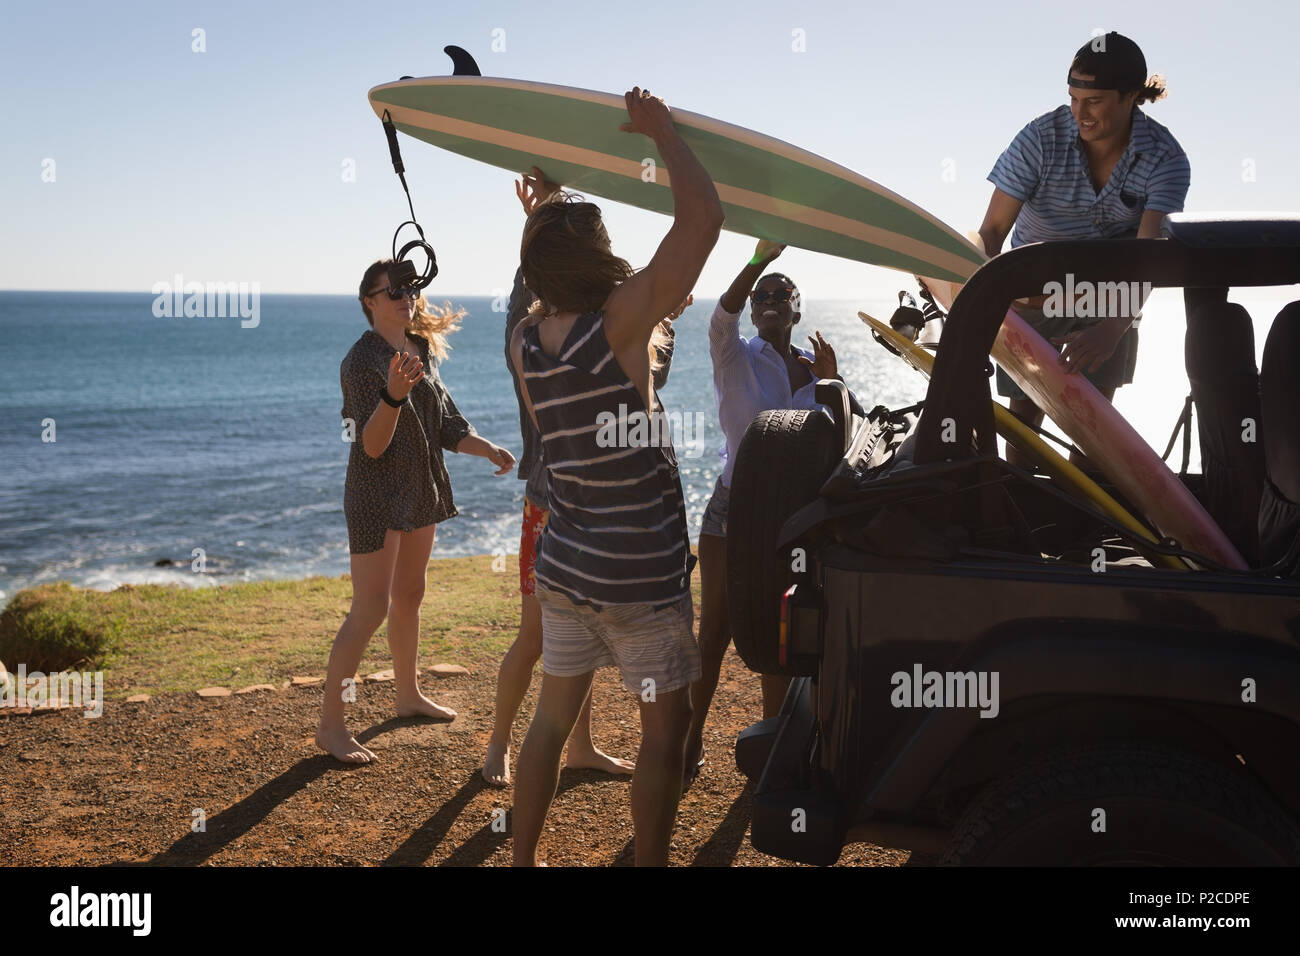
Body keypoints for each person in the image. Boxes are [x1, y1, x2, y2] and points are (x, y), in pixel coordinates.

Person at [508, 87, 723, 866]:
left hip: (565, 567)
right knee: (663, 732)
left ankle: (522, 857)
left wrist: (548, 212)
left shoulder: (526, 342)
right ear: (594, 258)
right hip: (639, 578)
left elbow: (546, 280)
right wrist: (661, 131)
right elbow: (704, 220)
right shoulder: (623, 323)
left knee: (549, 722)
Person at [484, 167, 685, 787]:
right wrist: (538, 227)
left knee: (576, 642)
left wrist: (542, 221)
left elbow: (650, 367)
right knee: (537, 638)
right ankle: (496, 747)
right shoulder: (566, 335)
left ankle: (582, 746)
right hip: (555, 507)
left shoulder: (580, 339)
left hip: (582, 521)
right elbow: (531, 301)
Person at [316, 260, 516, 764]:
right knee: (369, 609)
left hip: (418, 490)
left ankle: (408, 694)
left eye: (409, 288)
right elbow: (372, 445)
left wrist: (486, 447)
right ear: (370, 301)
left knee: (410, 594)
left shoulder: (419, 348)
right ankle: (330, 726)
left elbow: (445, 423)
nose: (405, 296)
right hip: (375, 495)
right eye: (393, 290)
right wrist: (392, 396)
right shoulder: (360, 363)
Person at [684, 239, 863, 786]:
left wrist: (832, 382)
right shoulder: (733, 353)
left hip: (794, 518)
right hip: (734, 508)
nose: (769, 298)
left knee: (781, 639)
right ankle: (688, 746)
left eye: (781, 293)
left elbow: (842, 442)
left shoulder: (813, 373)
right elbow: (723, 312)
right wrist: (761, 260)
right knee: (715, 632)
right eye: (762, 293)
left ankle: (774, 754)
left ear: (797, 309)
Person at [976, 32, 1190, 467]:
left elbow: (1148, 255)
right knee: (1024, 424)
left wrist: (1112, 329)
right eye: (1073, 98)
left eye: (1093, 101)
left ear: (1131, 96)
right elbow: (993, 230)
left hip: (1109, 296)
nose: (1080, 112)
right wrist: (980, 297)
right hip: (1031, 289)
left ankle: (1082, 527)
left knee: (1093, 425)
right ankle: (1019, 513)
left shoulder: (1165, 158)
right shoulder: (1039, 139)